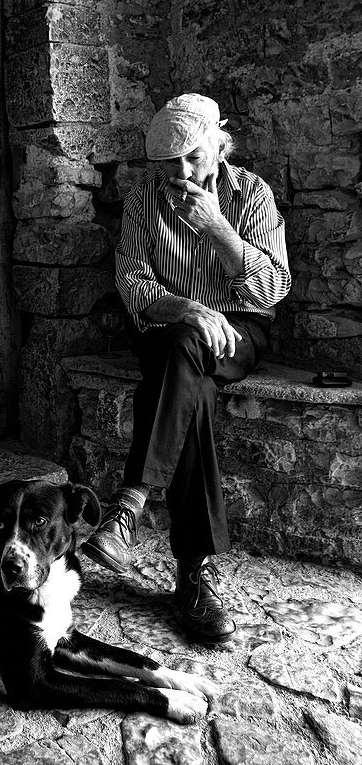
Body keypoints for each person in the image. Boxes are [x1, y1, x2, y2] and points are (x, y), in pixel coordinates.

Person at [82, 93, 291, 644]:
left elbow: (272, 289)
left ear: (218, 145)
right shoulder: (144, 198)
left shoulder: (252, 195)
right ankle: (194, 573)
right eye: (167, 163)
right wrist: (189, 309)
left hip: (240, 330)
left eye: (192, 157)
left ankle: (131, 501)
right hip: (168, 325)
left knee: (185, 360)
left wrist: (218, 227)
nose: (180, 173)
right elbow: (131, 282)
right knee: (183, 354)